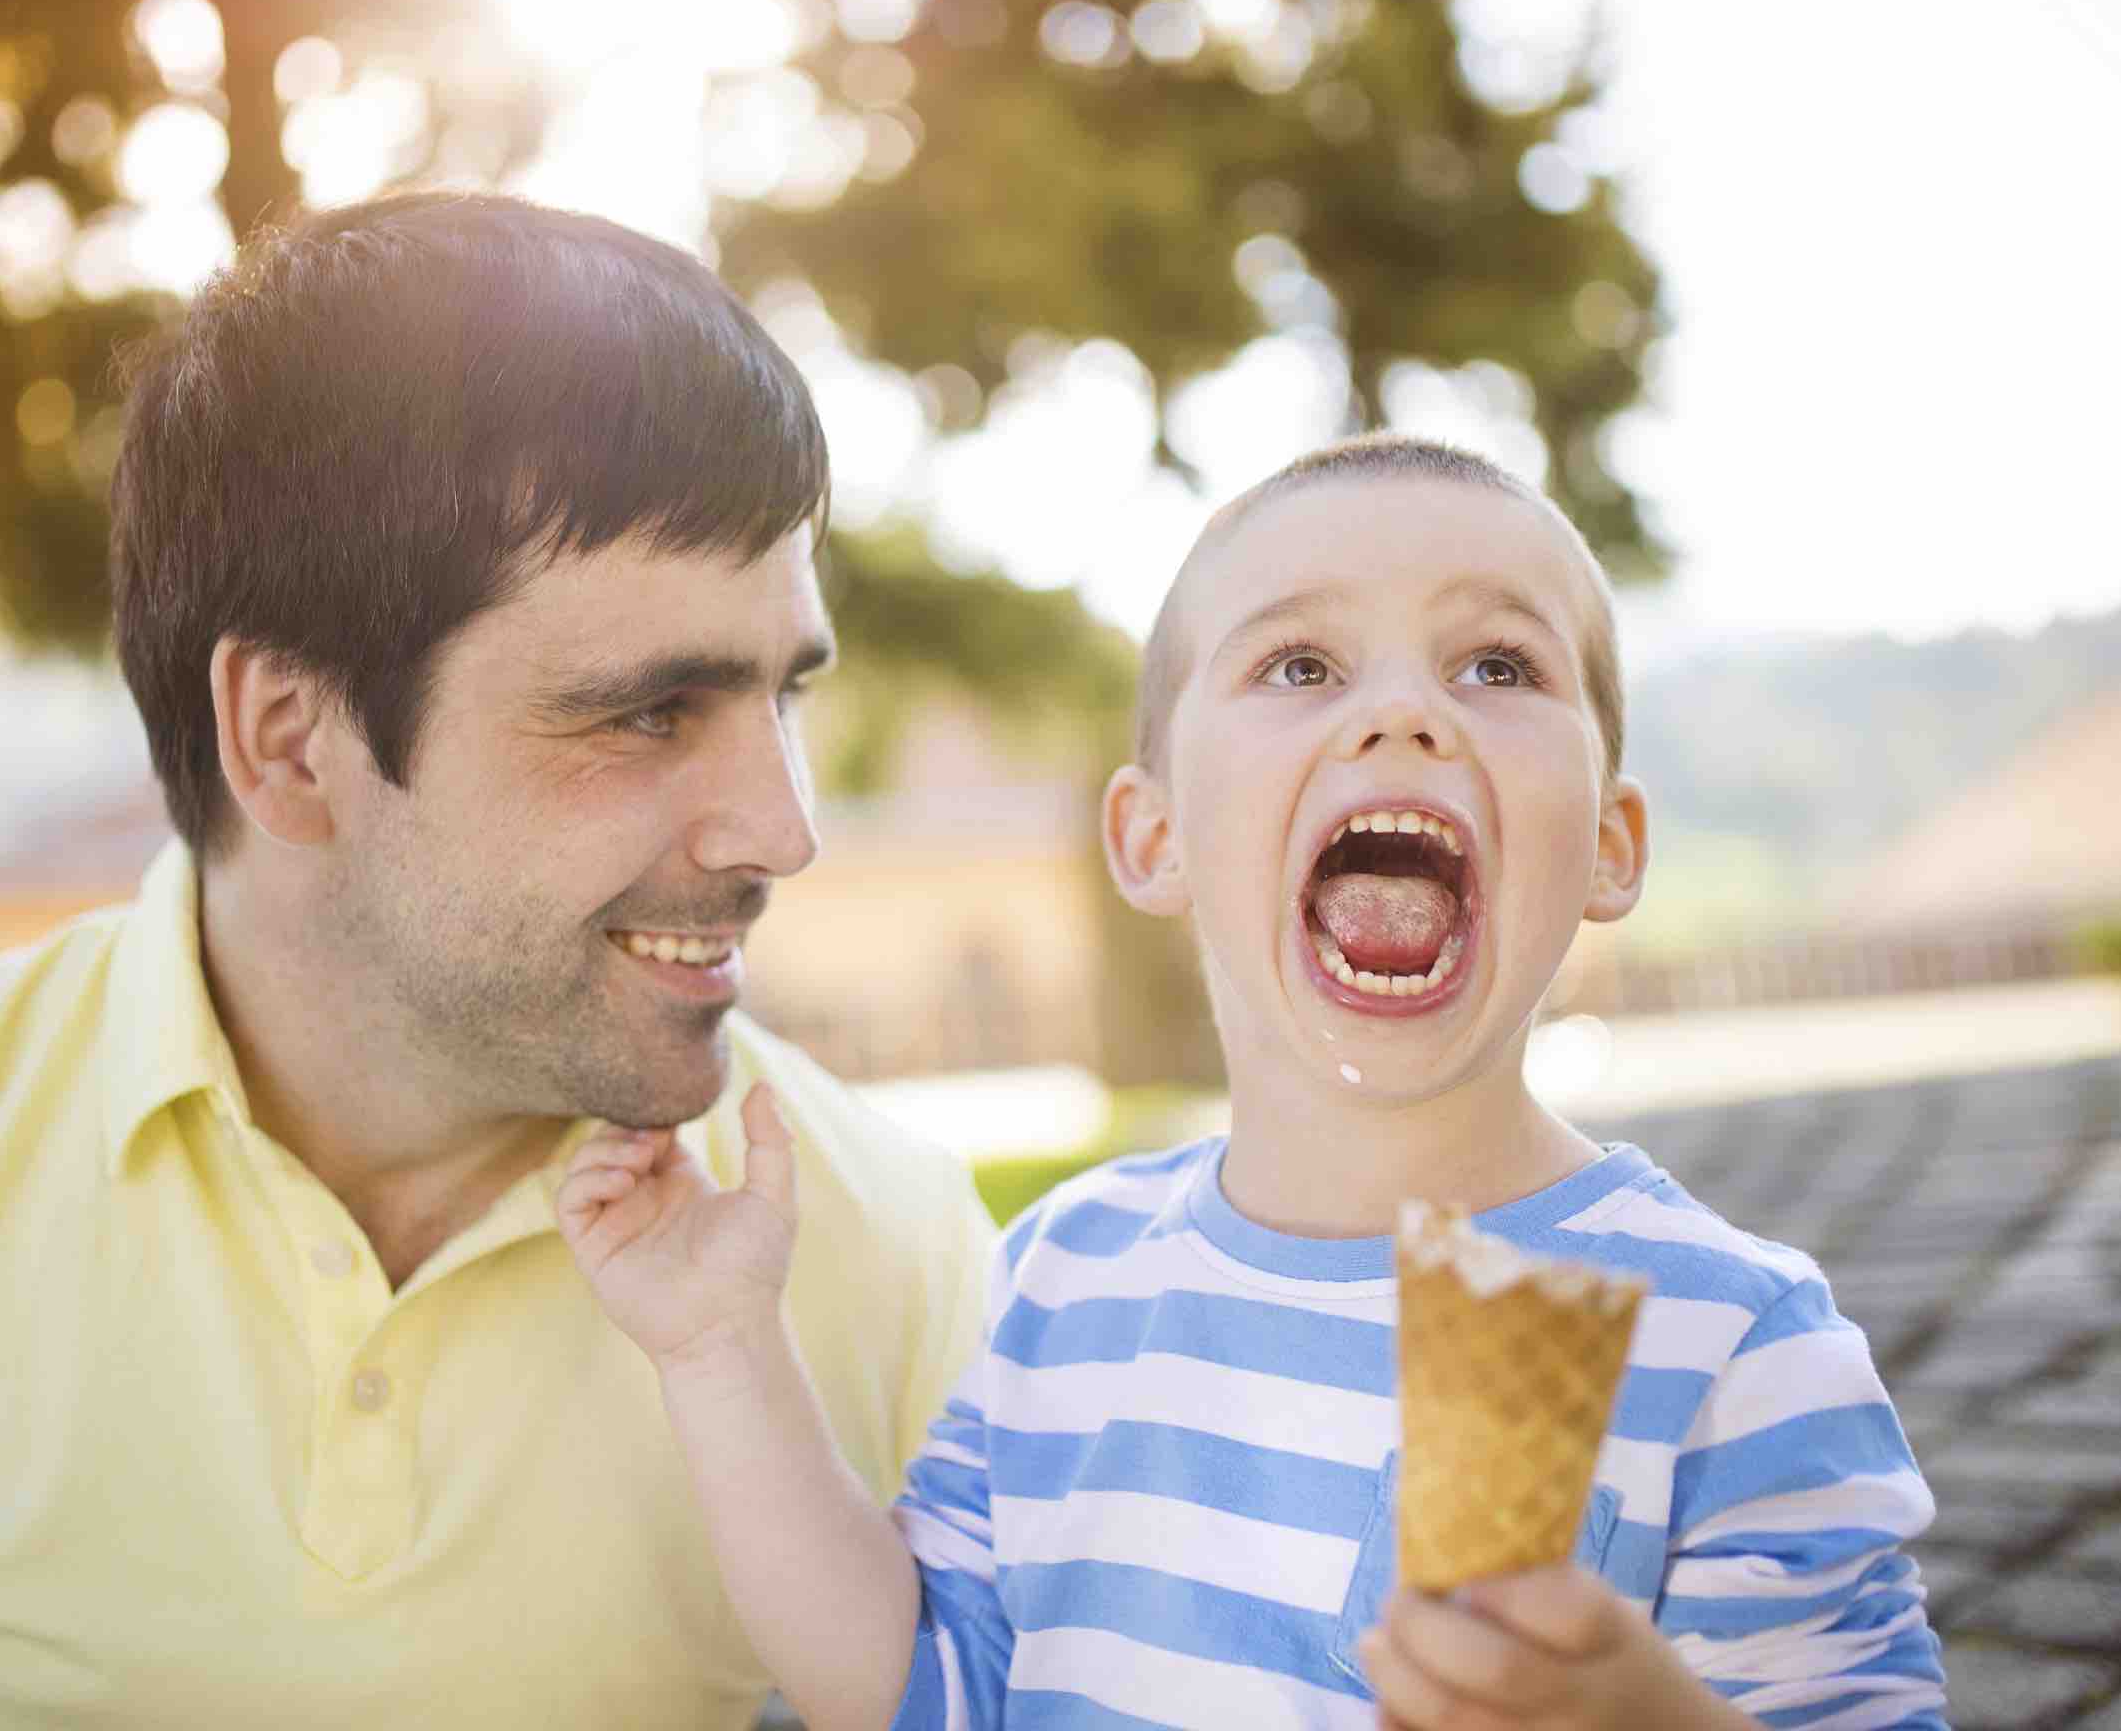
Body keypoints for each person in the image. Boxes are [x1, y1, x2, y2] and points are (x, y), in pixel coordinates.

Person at [0, 193, 995, 1729]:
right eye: (645, 713)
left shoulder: (891, 1257)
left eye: (784, 697)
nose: (779, 829)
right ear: (289, 741)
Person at [558, 437, 1947, 1730]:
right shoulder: (1064, 1282)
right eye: (1297, 668)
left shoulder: (1737, 1348)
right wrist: (716, 1347)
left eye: (1498, 669)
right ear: (1153, 837)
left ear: (1609, 845)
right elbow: (922, 1688)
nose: (1402, 712)